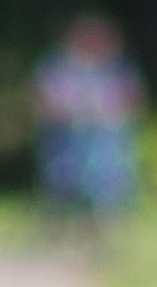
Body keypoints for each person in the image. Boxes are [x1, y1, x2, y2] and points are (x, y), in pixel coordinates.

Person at [31, 13, 144, 223]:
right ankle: (60, 225)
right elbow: (42, 99)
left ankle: (104, 227)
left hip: (107, 133)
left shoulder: (118, 68)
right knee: (63, 180)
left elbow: (133, 100)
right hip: (66, 133)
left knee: (107, 182)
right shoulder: (59, 66)